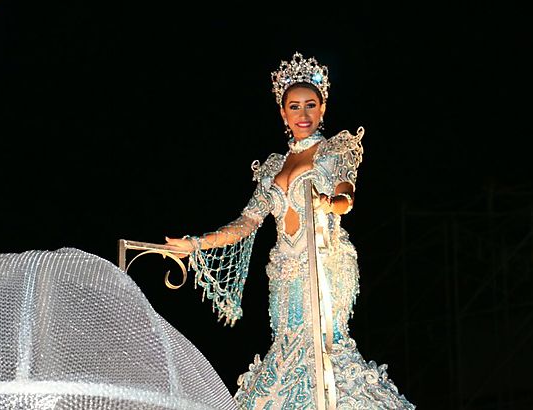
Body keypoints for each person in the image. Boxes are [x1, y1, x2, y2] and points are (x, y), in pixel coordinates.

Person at [165, 52, 415, 409]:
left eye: (310, 105)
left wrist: (332, 202)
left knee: (323, 351)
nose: (303, 114)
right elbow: (247, 221)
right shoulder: (272, 167)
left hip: (324, 265)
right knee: (287, 350)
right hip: (283, 273)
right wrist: (196, 244)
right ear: (283, 113)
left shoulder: (335, 151)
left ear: (323, 108)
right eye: (294, 107)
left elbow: (347, 192)